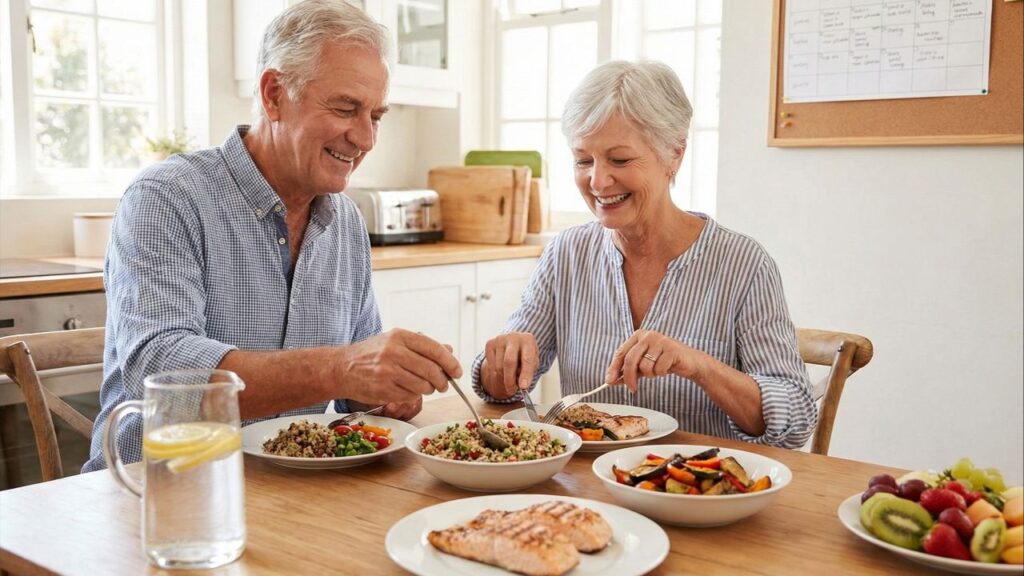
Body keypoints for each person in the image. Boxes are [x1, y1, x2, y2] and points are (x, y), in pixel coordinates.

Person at [83, 0, 460, 472]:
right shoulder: (167, 197)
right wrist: (341, 369)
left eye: (376, 116)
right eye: (346, 108)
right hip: (153, 490)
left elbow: (353, 391)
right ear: (274, 94)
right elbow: (163, 372)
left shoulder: (345, 221)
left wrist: (388, 390)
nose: (365, 139)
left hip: (282, 491)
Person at [472, 60, 817, 449]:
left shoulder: (743, 264)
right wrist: (500, 363)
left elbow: (796, 420)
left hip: (696, 482)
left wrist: (699, 366)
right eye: (583, 160)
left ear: (674, 154)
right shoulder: (567, 253)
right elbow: (502, 389)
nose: (598, 181)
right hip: (584, 484)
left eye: (619, 160)